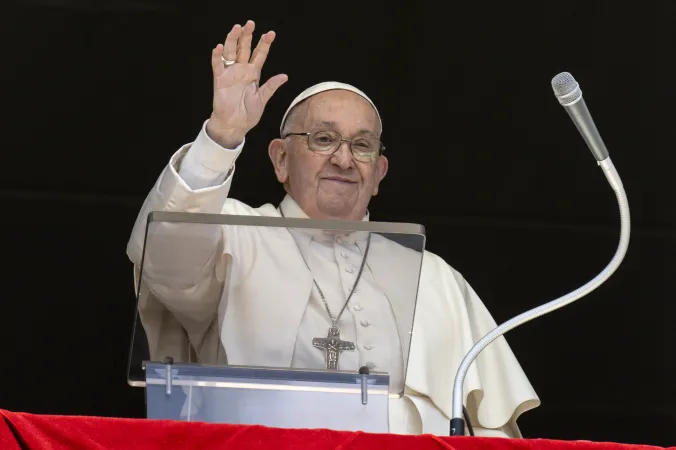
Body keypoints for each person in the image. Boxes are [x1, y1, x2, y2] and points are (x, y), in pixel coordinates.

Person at [127, 20, 540, 437]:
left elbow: (489, 431)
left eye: (362, 146)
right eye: (323, 139)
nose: (344, 160)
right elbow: (164, 261)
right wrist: (222, 137)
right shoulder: (234, 236)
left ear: (378, 173)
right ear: (281, 160)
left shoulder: (434, 277)